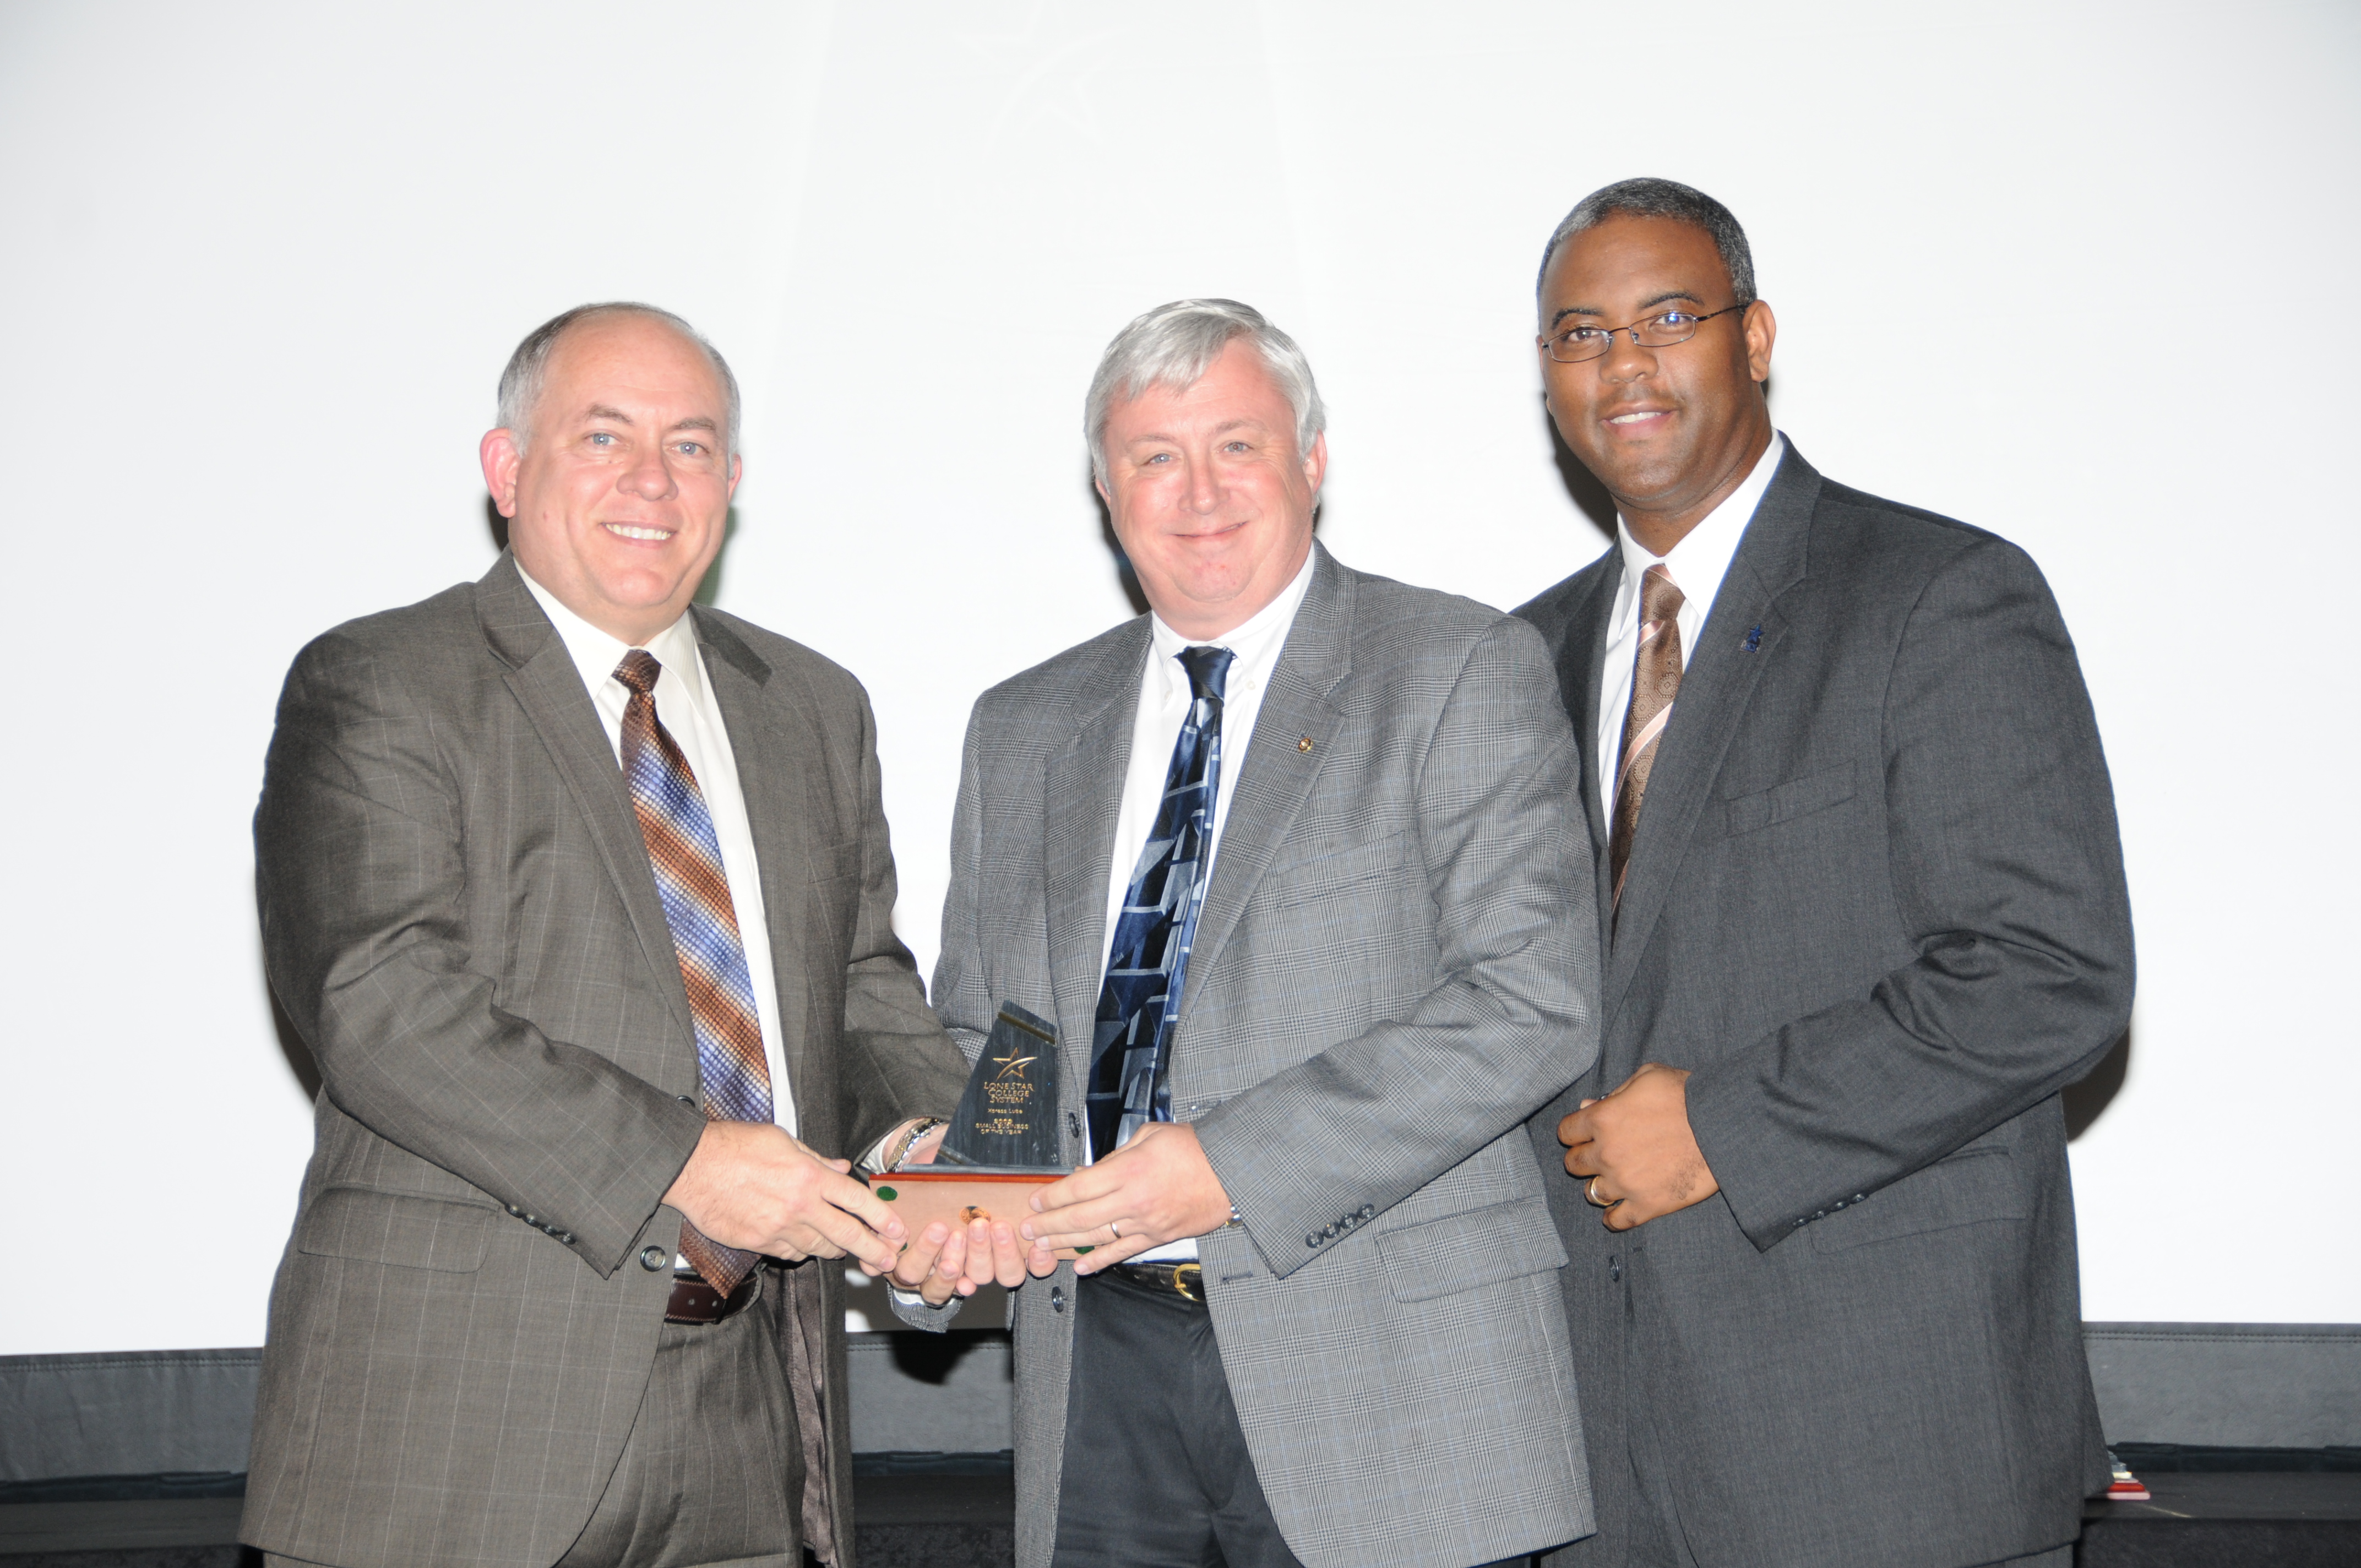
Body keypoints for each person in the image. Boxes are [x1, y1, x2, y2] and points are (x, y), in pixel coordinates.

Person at [241, 302, 990, 1568]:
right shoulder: (382, 681)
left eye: (692, 446)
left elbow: (857, 985)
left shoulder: (811, 706)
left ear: (733, 485)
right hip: (455, 1439)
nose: (652, 479)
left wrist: (930, 1148)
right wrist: (688, 1160)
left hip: (757, 1428)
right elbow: (380, 1004)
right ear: (504, 469)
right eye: (603, 436)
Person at [888, 298, 1601, 1568]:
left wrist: (1229, 1162)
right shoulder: (1021, 727)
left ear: (1311, 462)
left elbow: (1531, 998)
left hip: (1392, 1378)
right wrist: (940, 1186)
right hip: (1090, 1376)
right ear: (1107, 490)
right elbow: (984, 1034)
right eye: (1153, 456)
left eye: (1237, 445)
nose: (1197, 492)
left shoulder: (1453, 666)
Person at [1514, 179, 2135, 1568]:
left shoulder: (1935, 593)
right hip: (1589, 1460)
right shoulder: (1514, 662)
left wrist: (1725, 1122)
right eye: (1578, 332)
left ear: (1754, 337)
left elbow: (2051, 972)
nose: (1622, 363)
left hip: (1879, 1454)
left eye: (1666, 317)